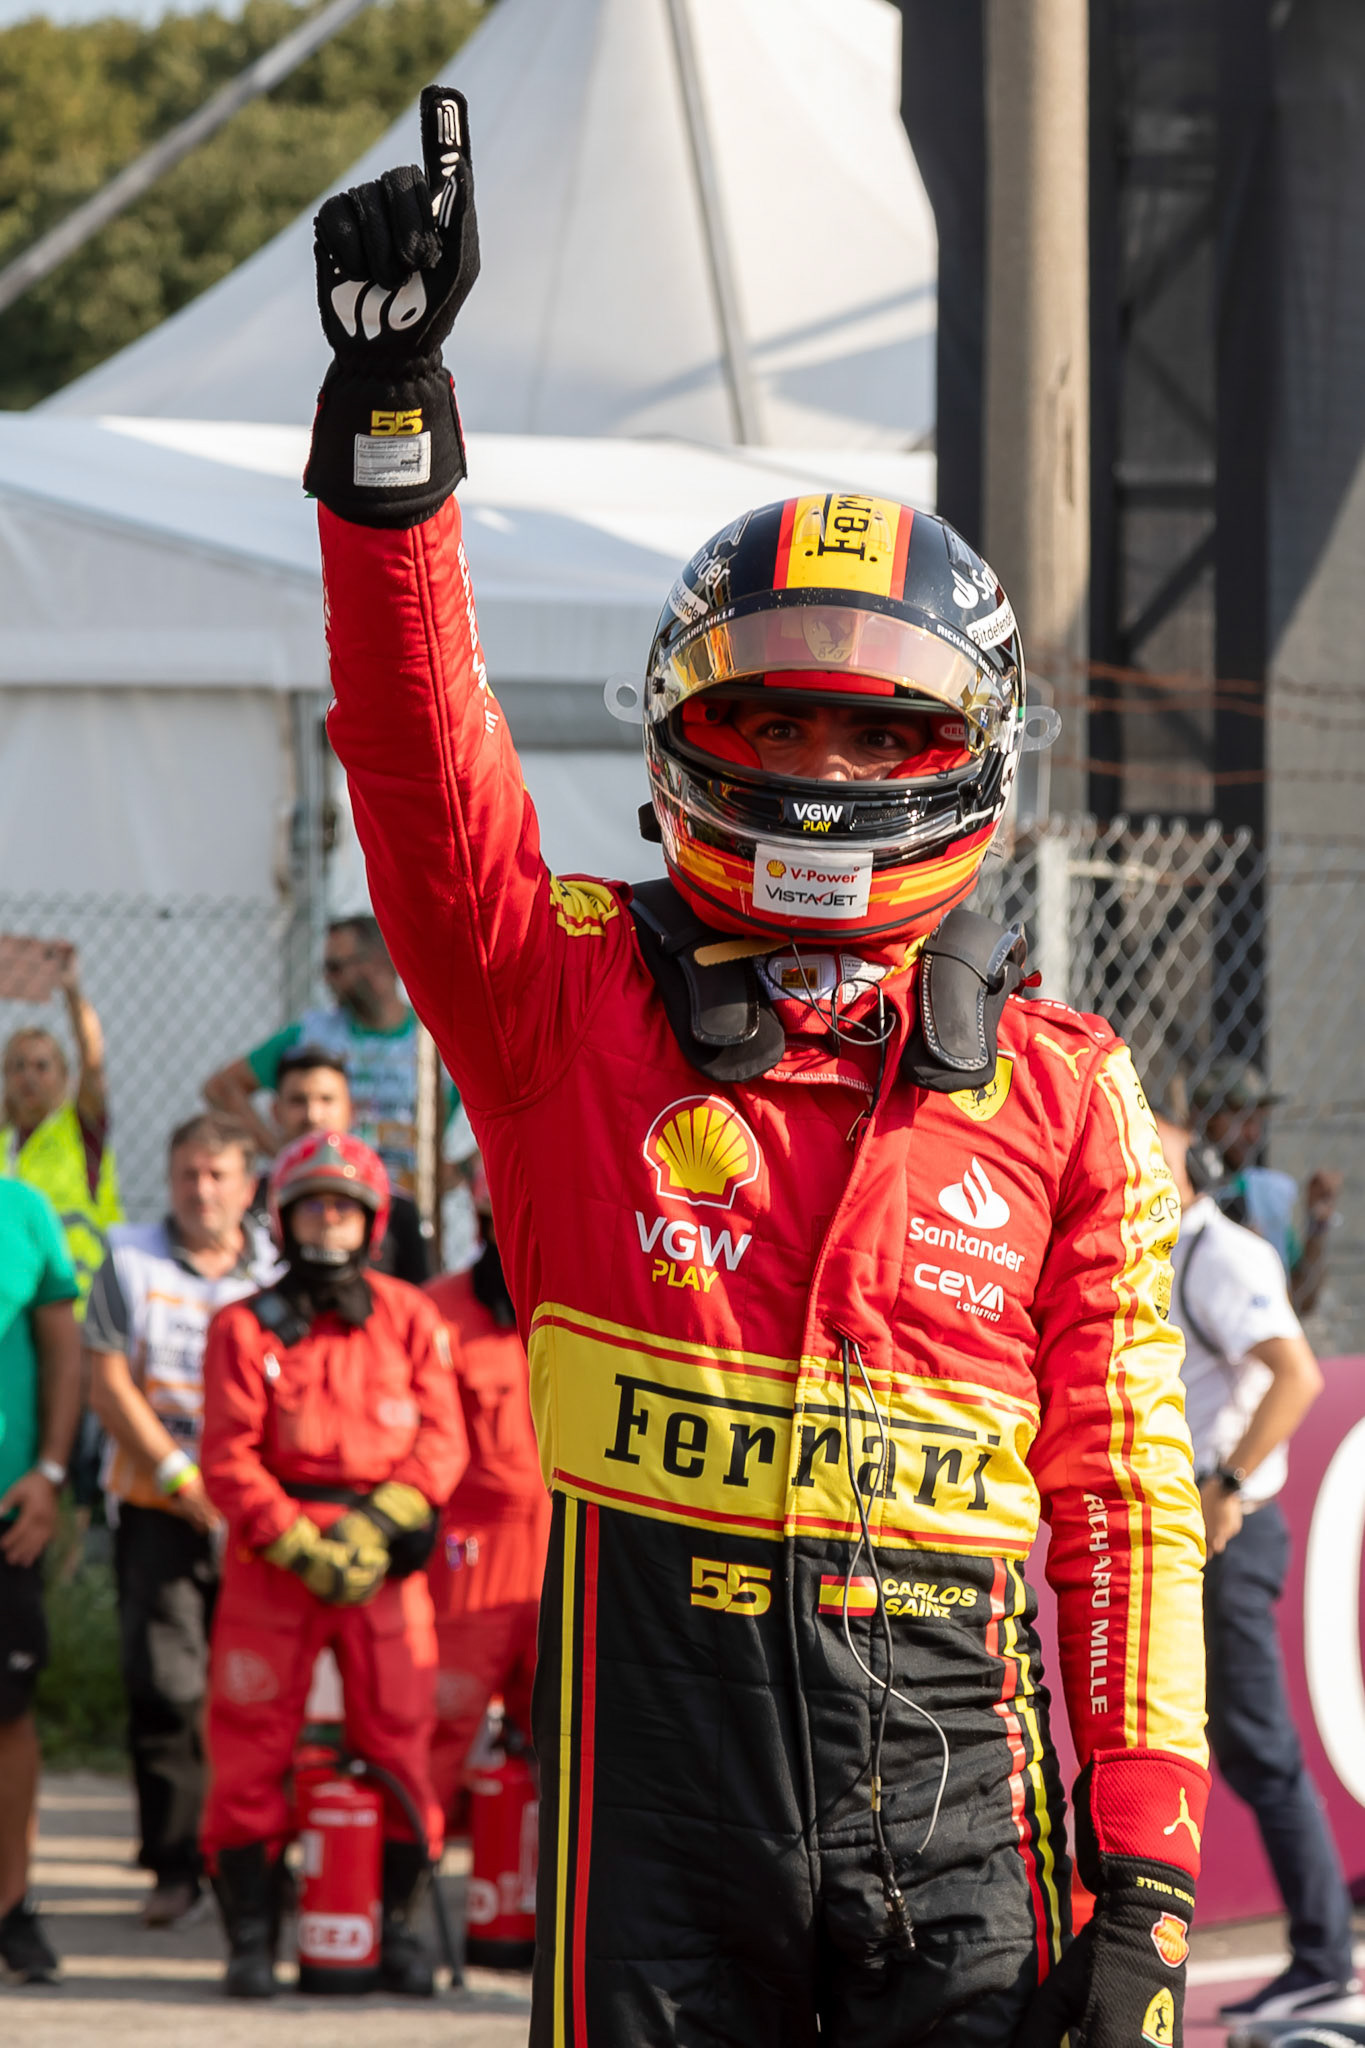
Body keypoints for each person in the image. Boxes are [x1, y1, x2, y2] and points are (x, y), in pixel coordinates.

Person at [303, 92, 1210, 2048]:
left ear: (961, 760)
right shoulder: (562, 994)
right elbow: (412, 765)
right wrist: (390, 440)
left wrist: (1142, 1872)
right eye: (772, 718)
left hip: (970, 1820)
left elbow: (1128, 1493)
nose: (812, 769)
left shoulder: (1066, 1089)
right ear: (684, 730)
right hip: (653, 1820)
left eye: (870, 732)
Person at [199, 1130, 467, 2000]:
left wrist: (372, 1532)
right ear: (282, 1218)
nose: (328, 1221)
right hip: (274, 1565)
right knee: (248, 1750)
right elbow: (227, 1457)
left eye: (343, 1207)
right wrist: (301, 1545)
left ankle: (392, 1933)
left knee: (400, 1739)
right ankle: (249, 1940)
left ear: (371, 1221)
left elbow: (441, 1442)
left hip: (383, 1562)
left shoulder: (411, 1318)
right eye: (312, 1204)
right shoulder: (240, 1328)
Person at [1155, 1110, 1358, 2021]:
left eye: (1144, 1152)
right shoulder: (1160, 1253)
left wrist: (1227, 1483)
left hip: (1228, 1530)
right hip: (1190, 1525)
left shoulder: (1219, 1254)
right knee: (1218, 1745)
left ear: (1188, 1168)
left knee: (1260, 1748)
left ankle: (1320, 1953)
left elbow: (1297, 1373)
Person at [84, 1113, 278, 1928]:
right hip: (157, 1506)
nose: (200, 1191)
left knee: (263, 1697)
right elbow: (106, 1382)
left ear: (247, 1184)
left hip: (262, 1514)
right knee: (167, 1689)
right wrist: (178, 1471)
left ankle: (255, 1867)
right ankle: (173, 1867)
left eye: (217, 1175)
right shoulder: (127, 1259)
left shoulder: (278, 1264)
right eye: (186, 1174)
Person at [425, 1166, 548, 1824]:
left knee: (566, 1740)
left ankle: (550, 1912)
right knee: (438, 1730)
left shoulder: (587, 1308)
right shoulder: (435, 1315)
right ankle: (400, 1898)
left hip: (564, 1551)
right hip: (468, 1558)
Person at [203, 914, 460, 1201]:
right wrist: (280, 1154)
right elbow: (222, 1088)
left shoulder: (436, 1040)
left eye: (335, 967)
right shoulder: (313, 1034)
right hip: (327, 1203)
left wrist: (464, 1169)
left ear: (378, 963)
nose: (327, 979)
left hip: (409, 1204)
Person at [0, 1181, 81, 1984]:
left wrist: (50, 1473)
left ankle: (10, 1905)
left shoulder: (21, 1210)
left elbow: (64, 1349)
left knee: (7, 1717)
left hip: (8, 1513)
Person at [249, 1043, 432, 1284]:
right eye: (297, 1101)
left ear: (351, 1110)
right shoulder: (246, 1201)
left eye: (327, 1100)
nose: (313, 1115)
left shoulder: (396, 1209)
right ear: (275, 1111)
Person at [1, 948, 122, 1308]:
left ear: (64, 1075)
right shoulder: (4, 1141)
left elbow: (93, 1058)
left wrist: (71, 991)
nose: (29, 1077)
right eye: (17, 1066)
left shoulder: (80, 1129)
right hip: (13, 1309)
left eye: (42, 1066)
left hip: (79, 1307)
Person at [1191, 1061, 1340, 1315]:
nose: (1253, 1134)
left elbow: (1302, 1300)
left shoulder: (1265, 1192)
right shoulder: (1179, 1192)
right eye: (1241, 1119)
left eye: (1258, 1121)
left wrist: (1316, 1224)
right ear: (1206, 1118)